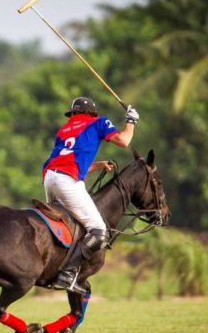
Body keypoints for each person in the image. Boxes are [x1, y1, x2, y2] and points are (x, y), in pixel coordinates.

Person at [42, 97, 139, 293]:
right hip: (67, 181)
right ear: (92, 113)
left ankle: (51, 266)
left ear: (73, 114)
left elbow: (67, 163)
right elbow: (123, 141)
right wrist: (131, 121)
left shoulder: (64, 130)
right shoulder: (98, 122)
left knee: (65, 226)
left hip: (50, 178)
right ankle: (67, 273)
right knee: (98, 230)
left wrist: (98, 165)